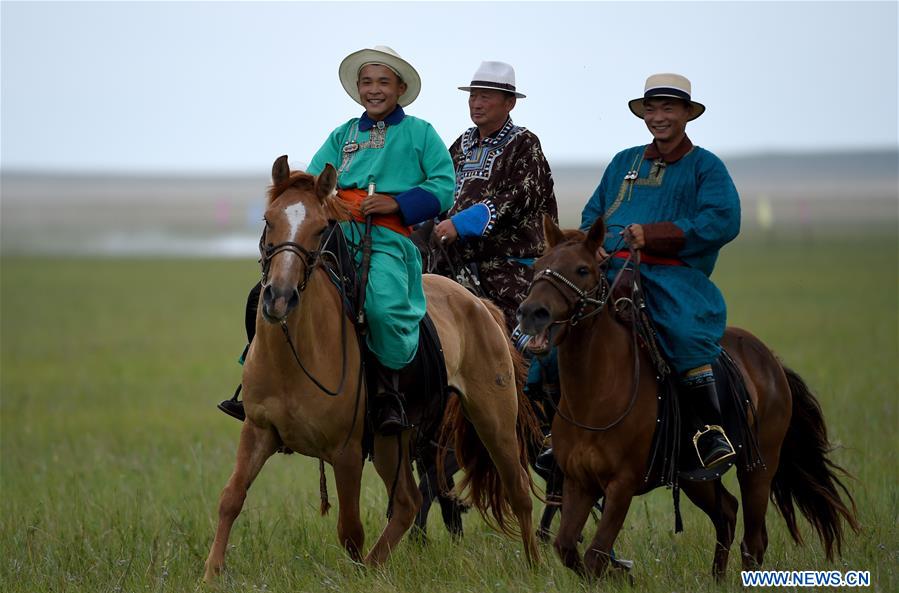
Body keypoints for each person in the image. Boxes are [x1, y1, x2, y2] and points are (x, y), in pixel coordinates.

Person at [219, 46, 454, 435]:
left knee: (379, 306)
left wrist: (396, 202)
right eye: (366, 82)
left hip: (387, 241)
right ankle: (256, 385)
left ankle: (388, 395)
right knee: (270, 293)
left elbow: (444, 186)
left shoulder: (420, 133)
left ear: (400, 87)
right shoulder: (342, 134)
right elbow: (312, 185)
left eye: (383, 82)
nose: (374, 90)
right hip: (333, 239)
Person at [580, 73, 741, 469]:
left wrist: (653, 235)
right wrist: (592, 242)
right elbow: (593, 213)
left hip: (672, 275)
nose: (658, 117)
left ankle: (708, 431)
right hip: (612, 270)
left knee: (685, 331)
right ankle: (554, 428)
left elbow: (723, 220)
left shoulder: (705, 167)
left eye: (668, 108)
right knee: (563, 321)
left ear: (687, 113)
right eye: (651, 109)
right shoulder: (624, 161)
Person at [422, 61, 557, 334]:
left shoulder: (524, 143)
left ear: (509, 103)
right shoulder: (463, 143)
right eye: (473, 96)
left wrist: (461, 224)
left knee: (514, 348)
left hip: (507, 269)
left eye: (486, 96)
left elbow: (521, 196)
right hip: (454, 265)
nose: (476, 103)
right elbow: (443, 186)